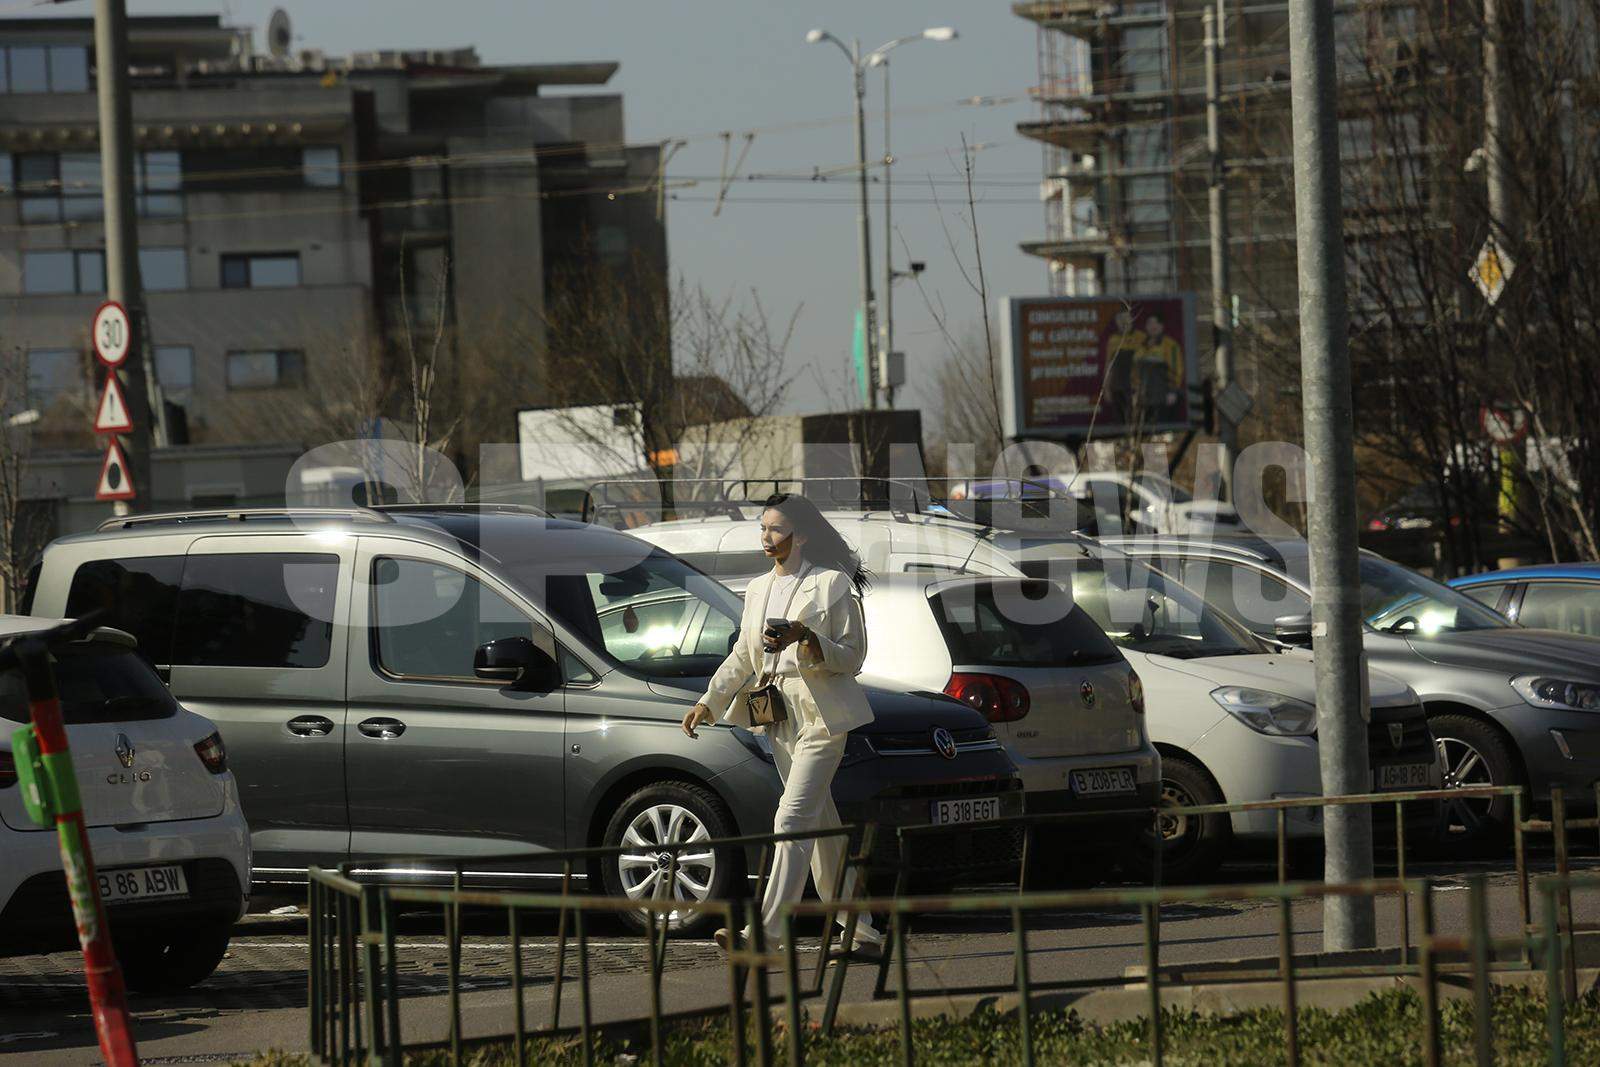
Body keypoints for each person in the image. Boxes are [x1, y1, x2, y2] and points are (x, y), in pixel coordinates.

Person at [680, 492, 884, 956]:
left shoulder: (832, 584)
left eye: (775, 529)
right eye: (763, 528)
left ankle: (766, 934)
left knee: (791, 819)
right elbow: (741, 655)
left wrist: (808, 638)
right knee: (821, 827)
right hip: (777, 715)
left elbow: (854, 657)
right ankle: (863, 932)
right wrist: (709, 702)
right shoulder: (756, 589)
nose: (767, 537)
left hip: (822, 716)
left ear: (802, 534)